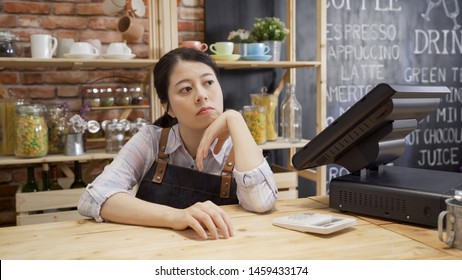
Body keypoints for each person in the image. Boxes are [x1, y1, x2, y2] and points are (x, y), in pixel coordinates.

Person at [78, 47, 278, 240]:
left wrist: (235, 118)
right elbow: (93, 197)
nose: (201, 95)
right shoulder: (151, 141)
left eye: (208, 82)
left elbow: (261, 203)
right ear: (168, 108)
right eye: (186, 89)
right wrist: (177, 216)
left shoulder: (240, 146)